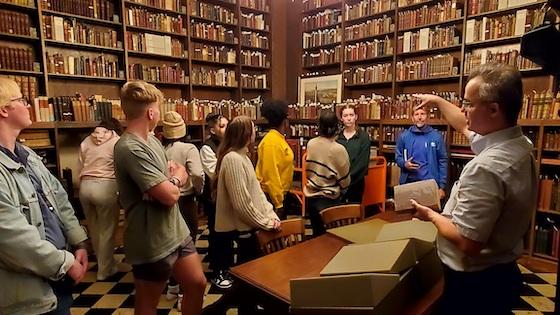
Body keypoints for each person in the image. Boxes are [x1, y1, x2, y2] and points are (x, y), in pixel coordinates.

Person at [411, 63, 537, 315]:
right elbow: (464, 125)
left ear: (493, 109)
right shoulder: (519, 143)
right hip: (502, 273)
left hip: (475, 285)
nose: (463, 110)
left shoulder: (486, 168)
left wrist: (431, 215)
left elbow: (469, 242)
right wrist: (435, 100)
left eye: (469, 103)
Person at [114, 80, 206, 315]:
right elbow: (169, 194)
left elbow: (164, 178)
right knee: (147, 304)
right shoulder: (129, 147)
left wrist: (165, 183)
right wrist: (177, 179)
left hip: (175, 230)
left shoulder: (154, 140)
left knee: (197, 283)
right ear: (152, 112)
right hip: (150, 239)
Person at [0, 77, 89, 314]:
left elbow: (59, 198)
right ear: (4, 109)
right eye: (21, 99)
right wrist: (65, 263)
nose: (28, 105)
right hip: (27, 292)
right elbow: (13, 240)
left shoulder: (27, 154)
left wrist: (78, 242)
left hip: (56, 281)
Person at [214, 115, 281, 264]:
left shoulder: (243, 156)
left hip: (252, 227)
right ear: (246, 134)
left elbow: (257, 193)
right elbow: (242, 204)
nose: (255, 132)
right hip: (246, 232)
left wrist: (271, 215)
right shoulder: (233, 159)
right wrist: (266, 223)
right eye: (253, 129)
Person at [78, 118, 122, 281]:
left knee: (94, 228)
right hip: (105, 186)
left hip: (85, 186)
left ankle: (104, 263)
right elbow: (120, 167)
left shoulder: (86, 140)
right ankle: (105, 269)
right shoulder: (117, 141)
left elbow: (80, 165)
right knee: (107, 230)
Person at [199, 112, 234, 289]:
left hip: (227, 196)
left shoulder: (229, 145)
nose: (226, 129)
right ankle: (218, 271)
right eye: (222, 126)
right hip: (214, 198)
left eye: (228, 125)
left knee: (225, 234)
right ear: (212, 130)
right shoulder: (207, 148)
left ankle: (223, 265)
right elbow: (214, 174)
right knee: (217, 233)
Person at [304, 110, 351, 236]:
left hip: (311, 197)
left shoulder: (311, 144)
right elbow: (345, 181)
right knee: (330, 239)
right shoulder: (338, 149)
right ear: (337, 127)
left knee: (317, 235)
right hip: (329, 199)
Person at [395, 105, 448, 200]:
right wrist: (404, 164)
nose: (419, 117)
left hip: (430, 184)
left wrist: (441, 186)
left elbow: (442, 161)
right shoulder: (404, 137)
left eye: (422, 114)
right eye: (416, 114)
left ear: (427, 117)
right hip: (409, 183)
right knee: (408, 213)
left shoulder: (436, 136)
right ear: (412, 118)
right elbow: (398, 157)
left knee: (428, 213)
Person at [256, 100, 294, 219]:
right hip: (271, 197)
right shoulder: (271, 142)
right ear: (285, 122)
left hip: (279, 195)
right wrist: (279, 203)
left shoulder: (278, 139)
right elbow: (271, 175)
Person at [337, 105, 371, 204]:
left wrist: (347, 178)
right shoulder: (337, 137)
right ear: (341, 118)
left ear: (356, 117)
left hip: (356, 182)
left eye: (351, 115)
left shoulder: (363, 137)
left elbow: (363, 163)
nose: (349, 118)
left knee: (354, 214)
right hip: (338, 182)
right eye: (345, 115)